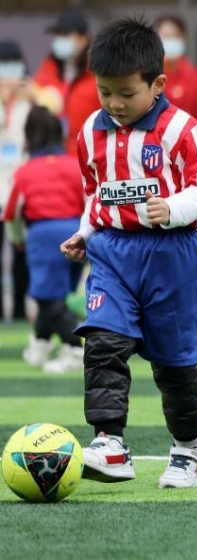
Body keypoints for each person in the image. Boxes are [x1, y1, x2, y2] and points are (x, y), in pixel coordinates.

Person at [59, 17, 197, 489]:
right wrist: (86, 231)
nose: (114, 103)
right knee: (104, 343)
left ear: (157, 84)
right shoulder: (91, 131)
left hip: (172, 257)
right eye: (104, 91)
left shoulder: (181, 129)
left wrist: (172, 207)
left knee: (174, 364)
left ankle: (187, 450)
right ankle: (110, 443)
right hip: (112, 254)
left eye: (126, 94)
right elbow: (98, 191)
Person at [3, 107, 85, 372]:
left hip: (43, 235)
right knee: (58, 296)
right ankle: (40, 344)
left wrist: (18, 240)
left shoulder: (25, 171)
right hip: (78, 233)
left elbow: (11, 213)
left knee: (48, 298)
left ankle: (75, 349)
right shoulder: (76, 165)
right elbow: (91, 202)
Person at [32, 8, 101, 156]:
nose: (59, 39)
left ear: (84, 39)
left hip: (86, 157)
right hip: (49, 156)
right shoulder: (47, 69)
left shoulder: (98, 73)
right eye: (57, 35)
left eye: (66, 35)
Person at [0, 40, 33, 322]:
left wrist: (28, 95)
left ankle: (21, 310)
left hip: (21, 190)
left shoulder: (31, 101)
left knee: (21, 253)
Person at [154, 13, 197, 128]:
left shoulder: (194, 75)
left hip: (185, 140)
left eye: (175, 36)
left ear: (183, 38)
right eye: (166, 36)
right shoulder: (147, 72)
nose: (171, 41)